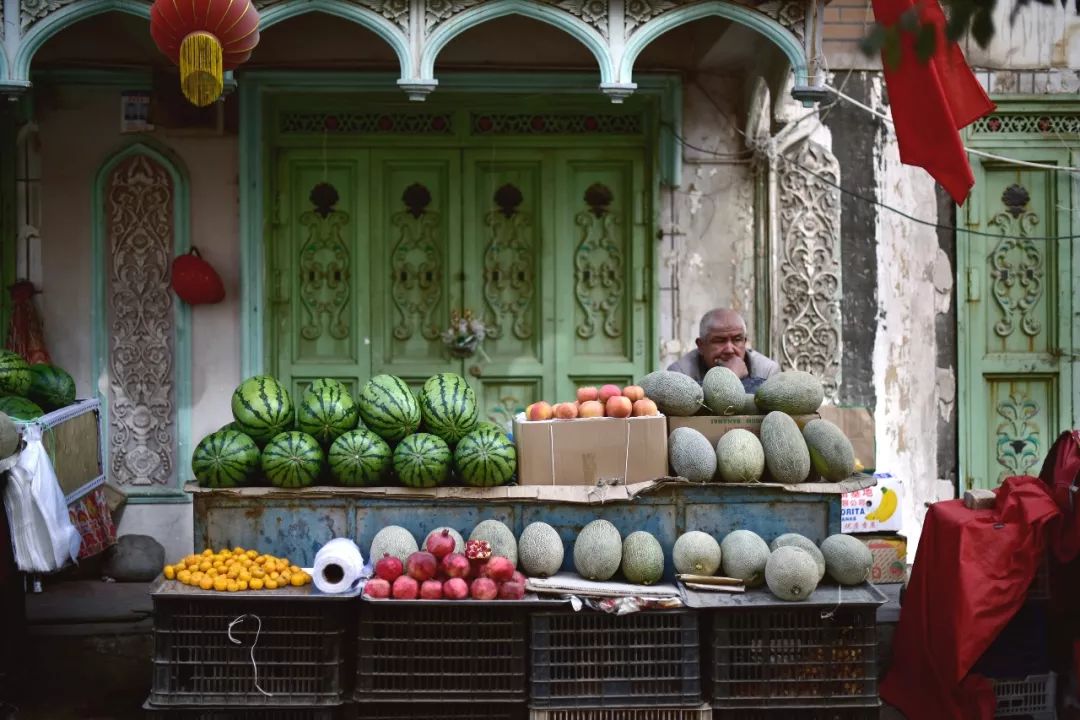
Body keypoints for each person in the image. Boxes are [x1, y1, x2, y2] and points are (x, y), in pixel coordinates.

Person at [667, 308, 780, 392]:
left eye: (737, 339)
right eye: (719, 341)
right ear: (701, 346)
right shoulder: (680, 373)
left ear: (745, 342)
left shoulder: (767, 371)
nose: (729, 349)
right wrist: (730, 377)